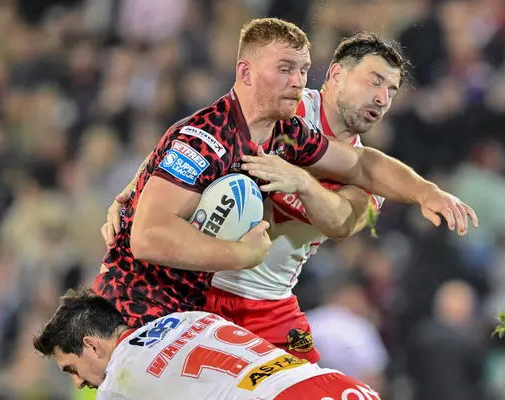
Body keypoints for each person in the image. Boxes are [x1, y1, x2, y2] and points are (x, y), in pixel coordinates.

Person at [102, 28, 478, 361]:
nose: (382, 98)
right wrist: (136, 188)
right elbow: (202, 133)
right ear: (335, 75)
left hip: (267, 301)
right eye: (374, 81)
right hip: (202, 283)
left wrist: (424, 192)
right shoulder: (284, 105)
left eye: (391, 91)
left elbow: (342, 223)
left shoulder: (372, 174)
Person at [34, 288, 382, 400]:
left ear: (93, 346)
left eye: (71, 369)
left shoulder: (117, 385)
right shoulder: (192, 318)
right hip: (340, 386)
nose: (78, 382)